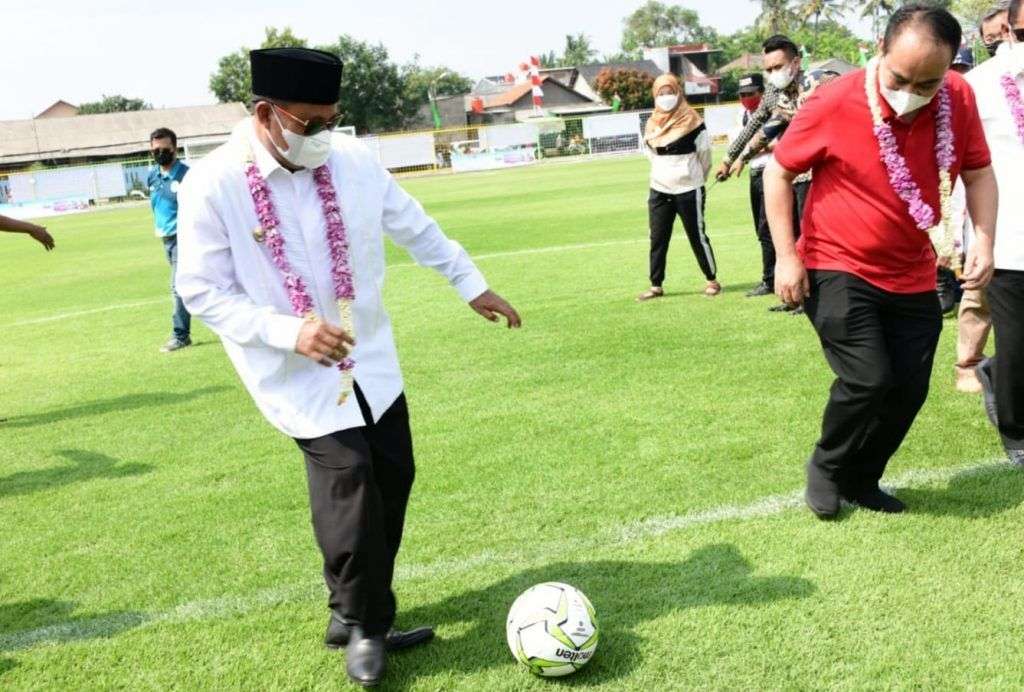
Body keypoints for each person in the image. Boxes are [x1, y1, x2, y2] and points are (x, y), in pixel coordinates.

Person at [176, 48, 521, 687]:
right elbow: (200, 290)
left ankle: (348, 609)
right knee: (352, 482)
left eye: (331, 120)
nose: (322, 135)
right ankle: (366, 625)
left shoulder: (354, 162)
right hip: (293, 370)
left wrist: (471, 283)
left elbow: (415, 226)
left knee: (393, 475)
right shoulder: (214, 182)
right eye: (309, 123)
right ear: (265, 114)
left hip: (371, 358)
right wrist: (289, 332)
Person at [764, 4, 997, 519]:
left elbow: (978, 172)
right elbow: (777, 173)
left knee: (909, 388)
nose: (911, 92)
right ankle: (827, 465)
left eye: (927, 83)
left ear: (949, 68)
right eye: (900, 78)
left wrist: (983, 240)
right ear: (879, 50)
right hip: (837, 262)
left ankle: (863, 478)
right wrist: (785, 257)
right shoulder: (833, 100)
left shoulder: (957, 97)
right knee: (868, 377)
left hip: (913, 269)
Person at [716, 35, 830, 315]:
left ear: (796, 62)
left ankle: (815, 296)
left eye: (778, 66)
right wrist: (735, 158)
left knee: (818, 237)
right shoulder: (781, 96)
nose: (773, 74)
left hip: (830, 175)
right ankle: (802, 296)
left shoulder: (820, 82)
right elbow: (765, 128)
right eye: (768, 69)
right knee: (800, 236)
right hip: (801, 175)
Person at [968, 0, 1024, 466]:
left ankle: (995, 372)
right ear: (1007, 32)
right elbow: (961, 168)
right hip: (1008, 236)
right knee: (1018, 340)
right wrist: (960, 238)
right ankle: (1017, 432)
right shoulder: (979, 86)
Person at [636, 73, 719, 301]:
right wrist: (663, 171)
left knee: (697, 235)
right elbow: (650, 153)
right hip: (659, 188)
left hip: (689, 188)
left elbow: (705, 156)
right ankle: (656, 285)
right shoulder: (651, 123)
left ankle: (711, 279)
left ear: (678, 92)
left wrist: (694, 177)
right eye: (661, 94)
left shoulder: (693, 121)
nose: (666, 97)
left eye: (670, 92)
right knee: (658, 237)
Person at [147, 127, 192, 353]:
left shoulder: (187, 175)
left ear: (175, 148)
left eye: (165, 149)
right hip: (166, 238)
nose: (160, 153)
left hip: (184, 236)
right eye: (156, 150)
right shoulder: (152, 176)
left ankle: (180, 335)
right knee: (189, 284)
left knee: (177, 286)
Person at [734, 73, 776, 298]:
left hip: (774, 172)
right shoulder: (743, 116)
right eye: (742, 94)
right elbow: (740, 144)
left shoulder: (775, 112)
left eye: (750, 93)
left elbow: (781, 141)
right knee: (762, 230)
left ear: (762, 92)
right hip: (755, 173)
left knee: (772, 228)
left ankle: (772, 280)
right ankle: (770, 278)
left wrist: (758, 148)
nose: (746, 98)